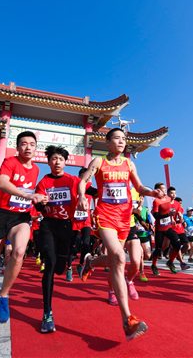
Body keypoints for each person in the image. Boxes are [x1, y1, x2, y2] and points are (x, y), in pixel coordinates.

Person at [76, 127, 164, 341]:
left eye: (124, 139)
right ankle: (128, 320)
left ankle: (90, 263)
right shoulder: (98, 162)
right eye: (117, 138)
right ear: (107, 142)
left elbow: (140, 186)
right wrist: (81, 196)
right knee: (118, 256)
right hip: (105, 216)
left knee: (115, 258)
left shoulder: (129, 163)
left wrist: (152, 192)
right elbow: (83, 181)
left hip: (125, 219)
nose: (121, 141)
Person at [0, 131, 47, 323]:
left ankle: (2, 295)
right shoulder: (10, 162)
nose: (28, 147)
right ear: (17, 146)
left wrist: (39, 200)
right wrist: (27, 195)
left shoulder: (36, 169)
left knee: (19, 252)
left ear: (36, 148)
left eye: (32, 144)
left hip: (21, 217)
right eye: (23, 144)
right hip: (1, 215)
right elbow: (2, 183)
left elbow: (34, 194)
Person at [33, 145, 85, 332]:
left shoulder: (72, 179)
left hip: (67, 228)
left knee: (60, 268)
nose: (57, 162)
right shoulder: (43, 182)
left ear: (65, 162)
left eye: (60, 159)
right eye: (53, 159)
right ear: (48, 162)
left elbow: (88, 189)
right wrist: (41, 204)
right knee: (49, 263)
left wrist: (86, 196)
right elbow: (37, 207)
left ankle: (62, 265)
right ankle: (47, 312)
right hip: (49, 225)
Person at [150, 183, 183, 275]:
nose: (165, 190)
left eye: (165, 189)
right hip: (159, 229)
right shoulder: (156, 201)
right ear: (158, 191)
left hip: (168, 227)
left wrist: (172, 218)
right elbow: (156, 216)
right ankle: (154, 265)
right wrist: (168, 215)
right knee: (158, 248)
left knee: (177, 244)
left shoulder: (168, 199)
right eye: (163, 189)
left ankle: (170, 261)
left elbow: (172, 209)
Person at [133, 194, 153, 281]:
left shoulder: (145, 209)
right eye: (139, 198)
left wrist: (150, 226)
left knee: (148, 255)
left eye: (142, 198)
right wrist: (135, 226)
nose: (141, 200)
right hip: (136, 235)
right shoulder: (133, 209)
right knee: (141, 254)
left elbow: (147, 220)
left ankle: (137, 263)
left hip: (144, 234)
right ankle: (142, 273)